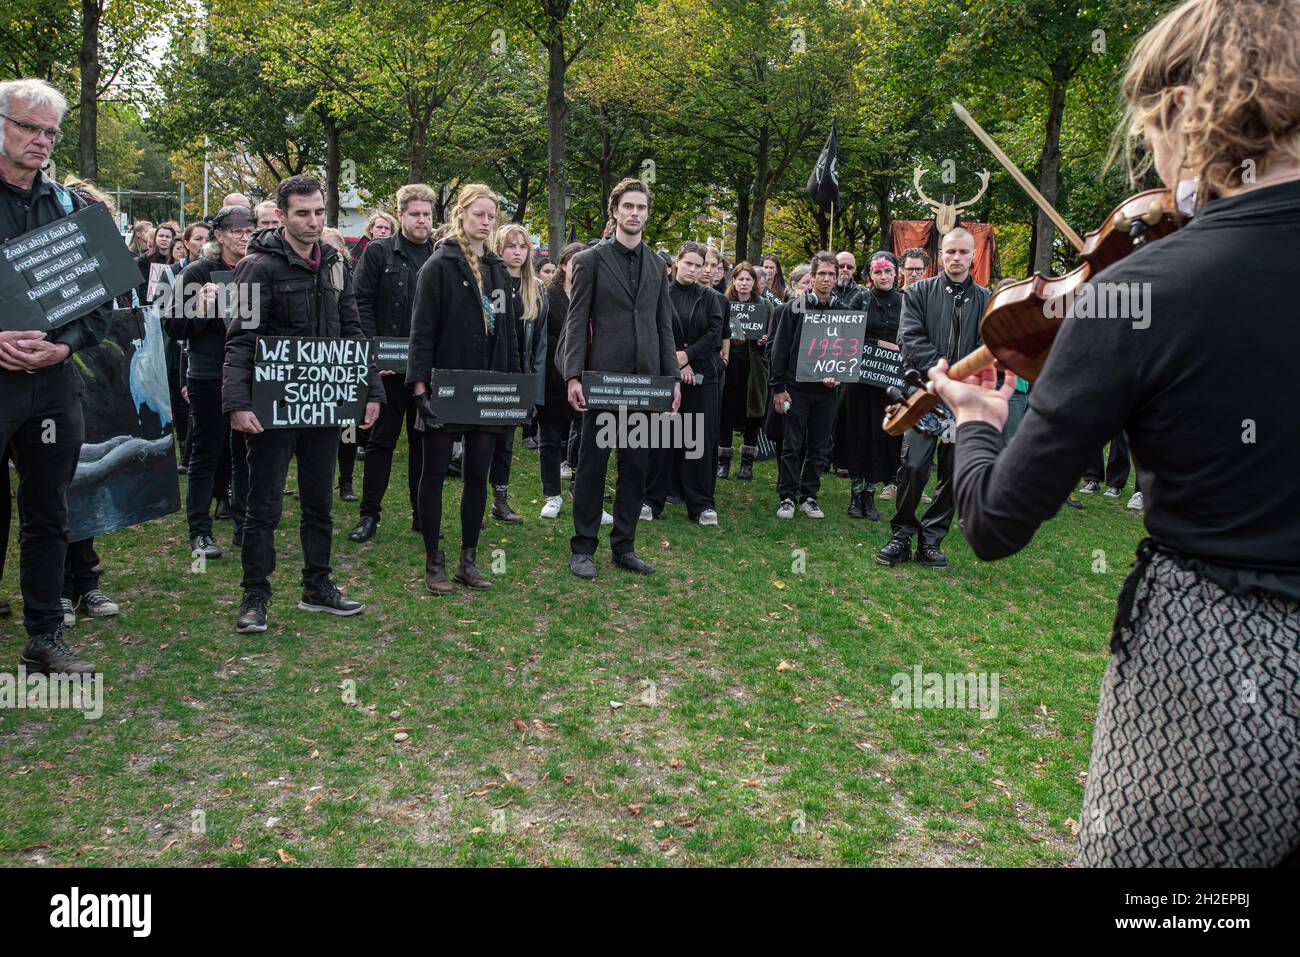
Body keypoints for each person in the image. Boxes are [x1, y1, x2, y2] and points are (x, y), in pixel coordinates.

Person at [930, 0, 1300, 867]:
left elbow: (993, 522)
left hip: (1209, 676)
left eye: (1152, 128)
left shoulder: (1147, 292)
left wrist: (979, 425)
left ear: (1185, 106)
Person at [223, 174, 383, 632]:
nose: (313, 222)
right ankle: (255, 596)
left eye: (318, 212)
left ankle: (318, 586)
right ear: (282, 216)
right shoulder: (257, 266)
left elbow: (353, 331)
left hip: (326, 404)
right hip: (273, 407)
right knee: (265, 505)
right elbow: (240, 340)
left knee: (320, 502)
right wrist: (237, 401)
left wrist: (371, 389)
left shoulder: (335, 264)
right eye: (302, 213)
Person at [0, 78, 112, 674]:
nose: (41, 140)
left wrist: (63, 348)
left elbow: (100, 305)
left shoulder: (72, 207)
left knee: (49, 511)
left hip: (52, 387)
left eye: (50, 132)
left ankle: (44, 637)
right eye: (27, 126)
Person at [561, 177, 681, 579]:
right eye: (628, 206)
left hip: (646, 384)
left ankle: (624, 547)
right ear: (614, 211)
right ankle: (584, 548)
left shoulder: (657, 265)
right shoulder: (590, 261)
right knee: (593, 467)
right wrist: (573, 374)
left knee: (635, 468)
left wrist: (672, 380)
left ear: (648, 214)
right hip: (602, 381)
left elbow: (664, 326)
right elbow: (577, 322)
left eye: (641, 208)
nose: (634, 213)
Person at [406, 183, 521, 594]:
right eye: (479, 215)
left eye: (492, 216)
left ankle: (467, 561)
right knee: (434, 473)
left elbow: (507, 334)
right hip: (445, 386)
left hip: (488, 389)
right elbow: (421, 332)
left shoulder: (497, 270)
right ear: (461, 215)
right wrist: (420, 389)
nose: (486, 222)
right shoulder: (438, 266)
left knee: (477, 475)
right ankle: (433, 561)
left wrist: (515, 389)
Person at [876, 227, 989, 568]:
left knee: (955, 474)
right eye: (951, 251)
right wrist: (942, 373)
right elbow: (910, 337)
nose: (957, 258)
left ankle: (932, 538)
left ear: (973, 256)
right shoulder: (919, 292)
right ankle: (902, 533)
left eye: (963, 252)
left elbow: (990, 345)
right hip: (923, 394)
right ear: (941, 254)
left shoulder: (986, 299)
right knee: (913, 466)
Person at [165, 204, 255, 559]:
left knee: (247, 453)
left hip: (248, 374)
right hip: (209, 374)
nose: (245, 235)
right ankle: (200, 533)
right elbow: (173, 327)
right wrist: (201, 311)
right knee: (207, 452)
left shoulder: (256, 270)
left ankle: (244, 525)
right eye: (237, 229)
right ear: (218, 235)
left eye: (249, 229)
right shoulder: (198, 272)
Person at [347, 183, 435, 543]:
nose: (422, 220)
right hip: (385, 368)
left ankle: (421, 513)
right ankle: (369, 514)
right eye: (415, 214)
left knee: (424, 443)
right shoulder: (379, 253)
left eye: (427, 215)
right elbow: (360, 303)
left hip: (426, 369)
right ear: (401, 215)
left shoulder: (440, 254)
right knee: (381, 441)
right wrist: (372, 355)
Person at [643, 241, 724, 524]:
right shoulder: (660, 293)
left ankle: (701, 504)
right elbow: (653, 329)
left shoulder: (711, 298)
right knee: (663, 438)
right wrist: (678, 361)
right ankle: (651, 500)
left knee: (698, 441)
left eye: (698, 265)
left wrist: (688, 355)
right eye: (688, 263)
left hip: (705, 378)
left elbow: (714, 334)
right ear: (676, 262)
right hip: (666, 374)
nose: (693, 269)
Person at [768, 253, 844, 520]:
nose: (826, 278)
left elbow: (847, 352)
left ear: (837, 278)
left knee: (820, 446)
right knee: (792, 444)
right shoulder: (794, 308)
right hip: (796, 388)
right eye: (821, 273)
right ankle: (787, 496)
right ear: (812, 277)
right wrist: (779, 388)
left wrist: (839, 376)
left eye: (831, 274)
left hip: (827, 391)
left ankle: (809, 496)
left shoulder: (843, 312)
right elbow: (779, 351)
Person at [488, 223, 548, 524]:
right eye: (511, 246)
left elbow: (540, 345)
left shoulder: (536, 290)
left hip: (518, 378)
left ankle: (500, 499)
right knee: (481, 441)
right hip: (489, 376)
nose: (517, 252)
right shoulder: (491, 283)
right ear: (499, 248)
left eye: (523, 247)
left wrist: (533, 392)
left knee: (505, 442)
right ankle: (474, 498)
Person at [838, 251, 904, 520]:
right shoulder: (861, 298)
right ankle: (855, 494)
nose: (884, 276)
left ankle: (870, 494)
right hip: (860, 379)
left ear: (896, 274)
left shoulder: (905, 301)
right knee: (857, 433)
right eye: (878, 272)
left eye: (888, 271)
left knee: (882, 436)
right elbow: (847, 332)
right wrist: (878, 344)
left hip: (889, 382)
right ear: (870, 276)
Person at [537, 242, 586, 519]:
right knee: (551, 439)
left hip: (584, 380)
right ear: (564, 264)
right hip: (553, 379)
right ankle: (552, 495)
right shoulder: (549, 295)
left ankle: (583, 494)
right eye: (574, 261)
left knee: (587, 439)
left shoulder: (592, 294)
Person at [717, 261, 768, 481]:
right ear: (734, 281)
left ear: (755, 282)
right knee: (726, 412)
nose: (744, 283)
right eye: (741, 279)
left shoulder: (765, 305)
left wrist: (765, 339)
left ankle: (747, 463)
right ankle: (723, 461)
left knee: (753, 415)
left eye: (749, 279)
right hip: (729, 365)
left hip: (755, 367)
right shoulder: (724, 302)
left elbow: (773, 333)